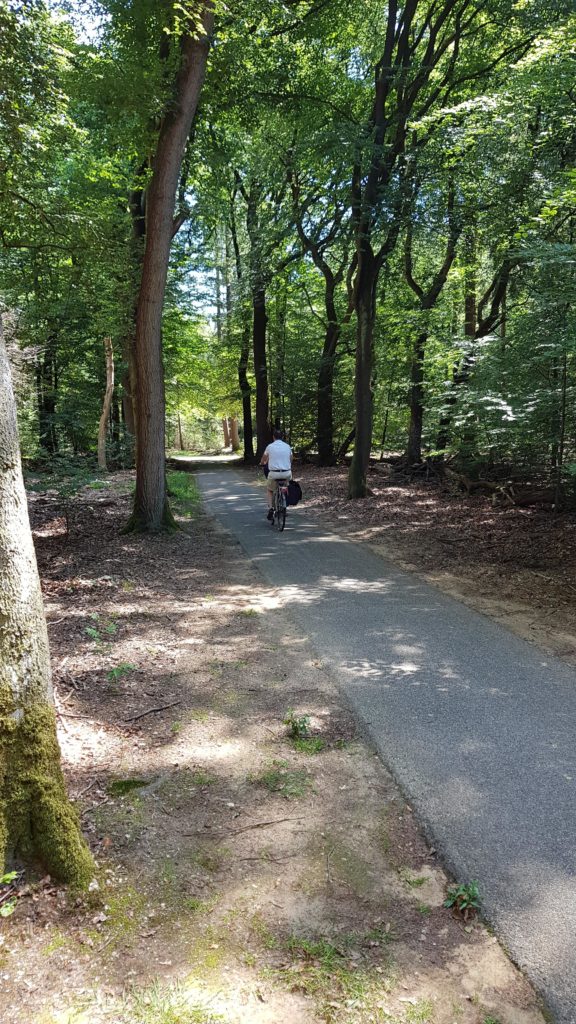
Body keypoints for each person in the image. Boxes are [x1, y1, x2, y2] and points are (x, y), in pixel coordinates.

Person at [260, 429, 292, 520]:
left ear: (273, 437)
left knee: (270, 490)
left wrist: (262, 462)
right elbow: (291, 458)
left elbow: (264, 459)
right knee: (285, 487)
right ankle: (284, 505)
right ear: (282, 437)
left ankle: (271, 508)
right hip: (287, 473)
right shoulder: (287, 446)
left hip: (274, 474)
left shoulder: (270, 447)